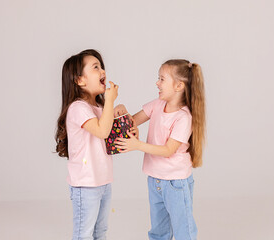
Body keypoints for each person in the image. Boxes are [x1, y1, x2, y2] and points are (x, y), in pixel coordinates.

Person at [115, 59, 206, 240]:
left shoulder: (183, 117)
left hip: (175, 183)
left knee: (184, 230)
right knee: (158, 231)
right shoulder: (157, 104)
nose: (157, 83)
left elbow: (168, 150)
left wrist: (137, 145)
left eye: (162, 79)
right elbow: (133, 120)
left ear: (179, 86)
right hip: (155, 180)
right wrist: (123, 112)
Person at [55, 49, 119, 240]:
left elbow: (109, 132)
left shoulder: (98, 108)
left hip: (103, 181)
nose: (103, 71)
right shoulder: (77, 108)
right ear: (80, 80)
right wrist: (110, 102)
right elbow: (101, 131)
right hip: (86, 184)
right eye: (95, 67)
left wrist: (117, 111)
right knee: (84, 234)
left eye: (102, 66)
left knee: (100, 232)